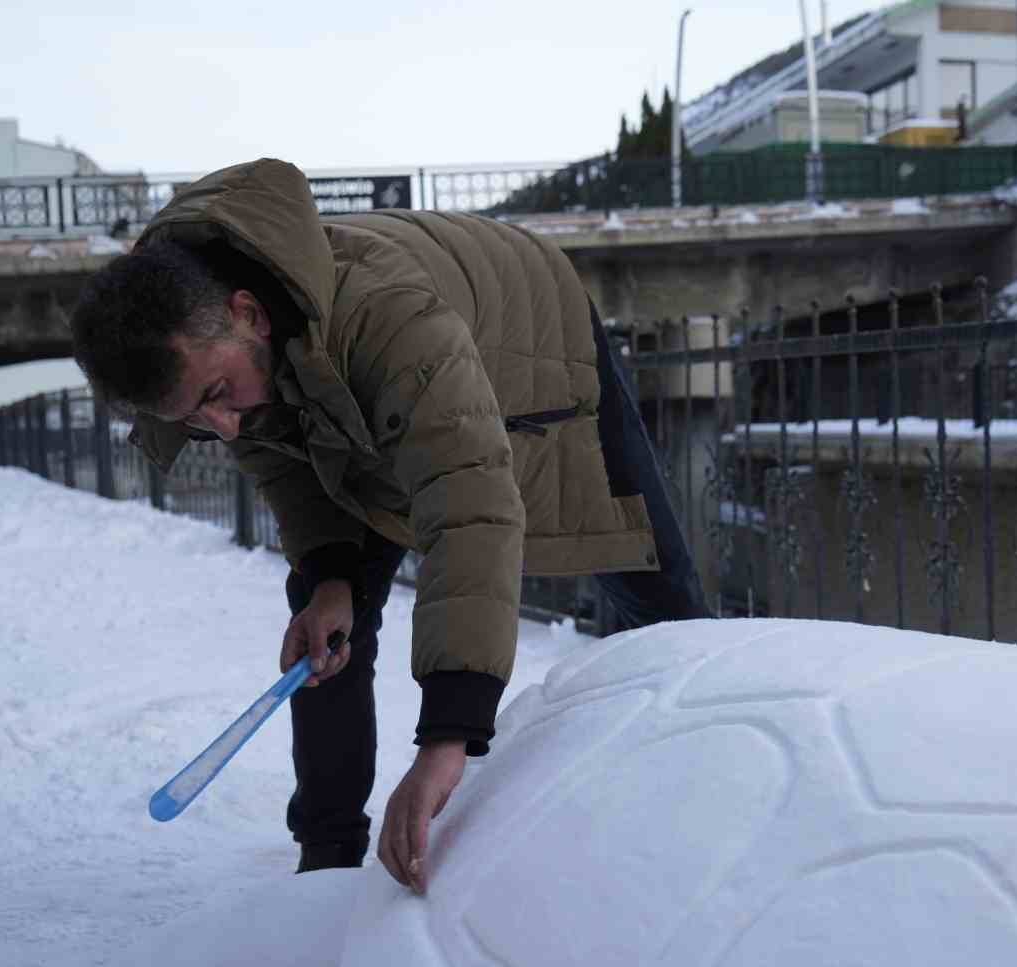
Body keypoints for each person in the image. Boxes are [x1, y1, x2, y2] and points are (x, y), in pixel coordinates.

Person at [71, 158, 710, 889]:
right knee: (322, 633)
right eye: (191, 418)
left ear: (249, 313)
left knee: (655, 589)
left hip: (529, 326)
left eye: (216, 394)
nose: (218, 424)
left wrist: (448, 736)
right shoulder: (220, 361)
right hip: (354, 397)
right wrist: (332, 576)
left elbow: (467, 502)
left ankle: (708, 789)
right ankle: (327, 859)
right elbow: (287, 468)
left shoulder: (389, 314)